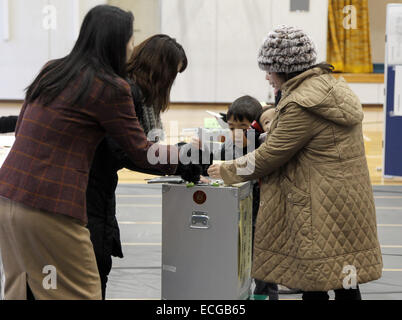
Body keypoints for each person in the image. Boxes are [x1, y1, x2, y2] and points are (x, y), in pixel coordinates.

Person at [0, 5, 192, 300]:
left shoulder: (53, 69)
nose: (131, 46)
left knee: (24, 290)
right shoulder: (111, 87)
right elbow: (140, 152)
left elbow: (23, 122)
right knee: (82, 293)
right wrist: (186, 157)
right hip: (52, 205)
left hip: (8, 197)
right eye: (129, 38)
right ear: (116, 41)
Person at [208, 25, 383, 300]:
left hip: (320, 205)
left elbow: (268, 158)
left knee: (314, 283)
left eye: (269, 69)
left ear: (284, 68)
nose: (267, 77)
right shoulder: (330, 88)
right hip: (347, 202)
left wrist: (227, 169)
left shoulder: (301, 103)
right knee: (346, 281)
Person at [86, 34, 188, 299]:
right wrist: (179, 161)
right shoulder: (128, 92)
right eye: (172, 75)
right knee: (93, 270)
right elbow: (128, 151)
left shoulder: (129, 91)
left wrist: (176, 157)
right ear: (160, 70)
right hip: (89, 191)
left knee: (96, 266)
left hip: (97, 189)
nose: (171, 83)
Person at [197, 96, 279, 300]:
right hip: (237, 220)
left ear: (257, 127)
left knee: (264, 272)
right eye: (231, 127)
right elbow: (221, 175)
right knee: (239, 265)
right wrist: (209, 179)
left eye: (242, 128)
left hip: (263, 220)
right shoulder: (228, 149)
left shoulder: (264, 150)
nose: (235, 134)